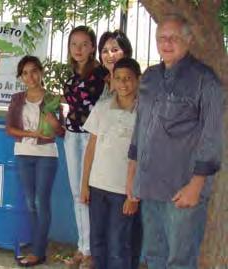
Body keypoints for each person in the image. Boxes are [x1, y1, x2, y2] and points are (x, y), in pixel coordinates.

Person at [127, 14, 223, 269]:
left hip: (183, 190)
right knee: (155, 256)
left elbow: (212, 135)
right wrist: (133, 178)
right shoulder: (149, 78)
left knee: (179, 261)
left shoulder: (205, 80)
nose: (166, 43)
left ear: (188, 41)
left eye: (174, 38)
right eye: (161, 38)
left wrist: (196, 184)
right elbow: (139, 131)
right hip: (149, 186)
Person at [80, 58, 141, 269]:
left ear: (138, 80)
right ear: (112, 81)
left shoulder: (144, 112)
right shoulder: (103, 107)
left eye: (128, 79)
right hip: (97, 187)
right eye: (118, 78)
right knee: (97, 242)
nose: (123, 83)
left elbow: (145, 156)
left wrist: (134, 195)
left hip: (124, 191)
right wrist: (84, 185)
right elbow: (90, 149)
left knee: (119, 245)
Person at [6, 56, 63, 267]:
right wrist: (31, 132)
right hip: (23, 153)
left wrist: (55, 124)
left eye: (34, 71)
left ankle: (38, 251)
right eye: (25, 73)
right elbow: (9, 129)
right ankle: (37, 246)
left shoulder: (52, 98)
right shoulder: (17, 99)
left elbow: (61, 132)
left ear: (41, 72)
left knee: (41, 202)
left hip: (47, 154)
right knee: (30, 204)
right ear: (21, 77)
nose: (30, 77)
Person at [62, 25, 106, 269]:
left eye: (83, 44)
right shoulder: (71, 75)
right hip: (71, 136)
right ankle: (82, 247)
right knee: (76, 194)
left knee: (87, 194)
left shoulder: (101, 75)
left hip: (92, 139)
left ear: (92, 48)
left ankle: (91, 252)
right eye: (73, 44)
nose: (78, 49)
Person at [97, 30, 133, 100]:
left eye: (115, 50)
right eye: (105, 51)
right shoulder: (103, 82)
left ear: (125, 53)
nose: (110, 55)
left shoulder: (133, 81)